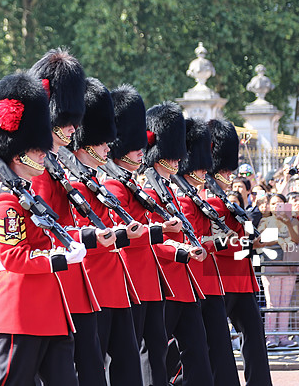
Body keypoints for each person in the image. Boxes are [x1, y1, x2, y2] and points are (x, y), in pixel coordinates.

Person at [0, 71, 82, 386]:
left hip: (50, 311)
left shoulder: (28, 194)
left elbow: (51, 234)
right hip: (21, 314)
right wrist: (61, 258)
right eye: (37, 149)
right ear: (19, 151)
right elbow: (14, 258)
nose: (43, 154)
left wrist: (80, 241)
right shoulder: (4, 203)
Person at [28, 48, 108, 386]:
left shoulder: (55, 163)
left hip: (74, 279)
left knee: (87, 365)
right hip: (53, 280)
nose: (73, 128)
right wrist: (88, 236)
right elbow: (44, 229)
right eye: (66, 121)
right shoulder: (37, 170)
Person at [101, 85, 182, 386]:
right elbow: (123, 232)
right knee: (127, 355)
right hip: (130, 278)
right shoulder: (113, 186)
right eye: (135, 147)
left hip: (148, 278)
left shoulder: (131, 184)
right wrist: (161, 230)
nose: (140, 152)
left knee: (155, 349)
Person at [68, 78, 144, 386]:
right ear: (87, 143)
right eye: (103, 142)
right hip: (91, 284)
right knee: (90, 368)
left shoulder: (95, 181)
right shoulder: (72, 184)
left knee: (127, 365)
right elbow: (76, 232)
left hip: (114, 284)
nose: (108, 147)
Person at [142, 102, 212, 386]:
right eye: (170, 157)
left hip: (185, 285)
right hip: (164, 283)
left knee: (198, 353)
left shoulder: (171, 189)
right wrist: (180, 252)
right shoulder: (147, 191)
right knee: (153, 354)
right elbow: (149, 237)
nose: (176, 162)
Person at [175, 118, 240, 386]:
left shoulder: (200, 197)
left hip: (210, 281)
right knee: (187, 346)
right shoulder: (184, 199)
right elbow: (196, 240)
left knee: (214, 344)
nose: (207, 171)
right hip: (191, 278)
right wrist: (224, 243)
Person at [208, 119, 272, 386]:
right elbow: (217, 240)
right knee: (217, 340)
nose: (230, 175)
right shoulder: (210, 199)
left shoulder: (227, 198)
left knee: (254, 335)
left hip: (241, 277)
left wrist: (254, 230)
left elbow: (244, 231)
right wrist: (249, 242)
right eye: (225, 170)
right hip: (220, 277)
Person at [256, 193, 299, 348]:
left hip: (289, 267)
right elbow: (259, 241)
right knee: (272, 303)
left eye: (280, 203)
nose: (276, 207)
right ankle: (270, 337)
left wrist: (288, 224)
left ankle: (283, 336)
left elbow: (297, 239)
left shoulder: (293, 221)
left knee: (285, 303)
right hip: (271, 266)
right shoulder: (265, 221)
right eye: (273, 204)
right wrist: (280, 239)